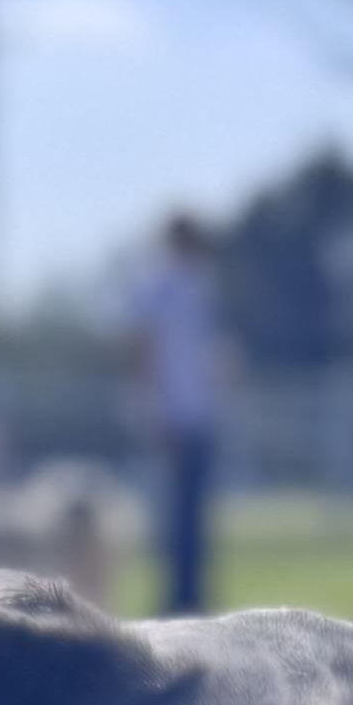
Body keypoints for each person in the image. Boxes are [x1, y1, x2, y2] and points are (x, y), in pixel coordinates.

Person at [124, 210, 226, 618]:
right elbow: (143, 350)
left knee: (195, 514)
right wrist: (153, 410)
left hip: (199, 411)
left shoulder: (201, 286)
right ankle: (175, 599)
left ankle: (192, 594)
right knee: (173, 513)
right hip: (171, 413)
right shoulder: (156, 287)